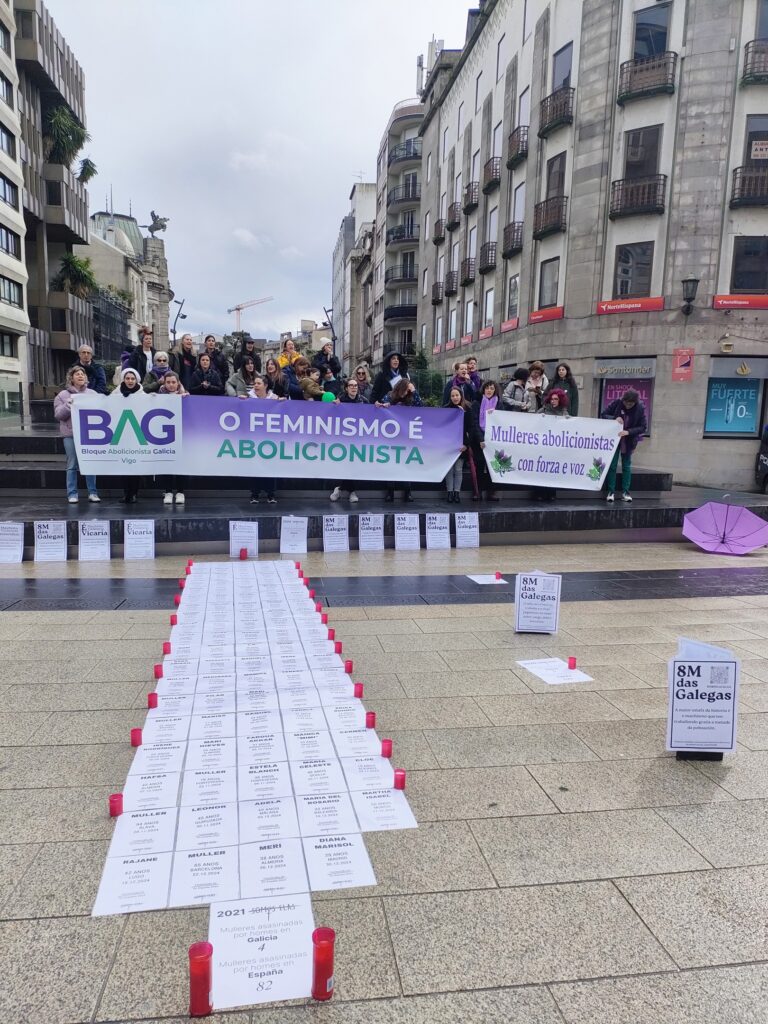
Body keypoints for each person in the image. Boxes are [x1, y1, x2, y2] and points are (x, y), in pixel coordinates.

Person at [53, 366, 100, 504]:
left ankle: (93, 492)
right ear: (71, 378)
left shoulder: (92, 394)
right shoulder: (62, 395)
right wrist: (68, 406)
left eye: (82, 374)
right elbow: (58, 415)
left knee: (90, 464)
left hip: (88, 435)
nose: (80, 376)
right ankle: (72, 493)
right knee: (72, 464)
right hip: (70, 435)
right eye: (77, 374)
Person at [601, 388, 647, 503]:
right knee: (612, 466)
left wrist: (629, 432)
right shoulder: (617, 403)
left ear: (635, 403)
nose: (627, 405)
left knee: (626, 466)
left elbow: (642, 427)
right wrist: (614, 418)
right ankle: (611, 491)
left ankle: (626, 492)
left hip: (628, 441)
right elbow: (603, 414)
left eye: (630, 404)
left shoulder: (640, 409)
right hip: (614, 440)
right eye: (626, 403)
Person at [330, 377, 368, 504]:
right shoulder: (340, 400)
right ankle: (351, 492)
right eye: (351, 386)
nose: (354, 388)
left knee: (353, 465)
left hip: (358, 438)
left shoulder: (363, 401)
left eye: (356, 386)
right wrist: (334, 406)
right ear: (346, 388)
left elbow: (372, 413)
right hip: (343, 438)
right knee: (344, 465)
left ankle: (340, 489)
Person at [381, 378, 421, 502]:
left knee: (406, 464)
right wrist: (385, 405)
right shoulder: (389, 396)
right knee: (391, 464)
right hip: (391, 436)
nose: (406, 392)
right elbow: (380, 407)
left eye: (409, 390)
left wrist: (414, 392)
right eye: (406, 389)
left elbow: (421, 406)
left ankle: (408, 491)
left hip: (406, 437)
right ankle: (390, 491)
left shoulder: (411, 397)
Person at [154, 372, 189, 504]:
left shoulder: (186, 396)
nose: (171, 385)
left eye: (173, 382)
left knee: (180, 465)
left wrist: (186, 400)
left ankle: (180, 492)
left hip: (181, 435)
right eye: (168, 382)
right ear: (164, 384)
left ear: (178, 383)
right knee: (167, 464)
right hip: (165, 436)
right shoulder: (158, 396)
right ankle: (168, 492)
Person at [110, 368, 144, 503]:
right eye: (127, 378)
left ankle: (134, 493)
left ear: (136, 380)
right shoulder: (115, 394)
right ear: (124, 379)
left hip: (137, 435)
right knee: (123, 466)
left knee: (135, 467)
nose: (130, 381)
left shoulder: (142, 395)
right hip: (121, 434)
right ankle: (126, 494)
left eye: (132, 379)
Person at [248, 375, 280, 504]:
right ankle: (254, 494)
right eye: (254, 383)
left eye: (258, 383)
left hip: (270, 439)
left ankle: (270, 494)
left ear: (265, 385)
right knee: (255, 467)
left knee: (270, 467)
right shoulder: (249, 398)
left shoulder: (274, 398)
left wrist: (282, 402)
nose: (255, 386)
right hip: (254, 438)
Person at [471, 380, 502, 502]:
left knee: (492, 467)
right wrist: (480, 439)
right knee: (479, 466)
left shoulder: (499, 404)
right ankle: (477, 492)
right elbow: (474, 423)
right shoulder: (476, 403)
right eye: (487, 388)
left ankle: (492, 492)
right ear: (483, 389)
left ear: (495, 391)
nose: (489, 390)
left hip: (493, 440)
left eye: (492, 388)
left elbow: (501, 421)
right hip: (479, 439)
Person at [442, 386, 474, 503]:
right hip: (449, 444)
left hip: (462, 444)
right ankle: (449, 492)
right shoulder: (446, 409)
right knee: (449, 469)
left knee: (458, 469)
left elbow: (471, 428)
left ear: (461, 396)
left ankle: (457, 493)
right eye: (453, 396)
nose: (455, 397)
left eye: (457, 395)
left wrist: (466, 445)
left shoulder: (468, 408)